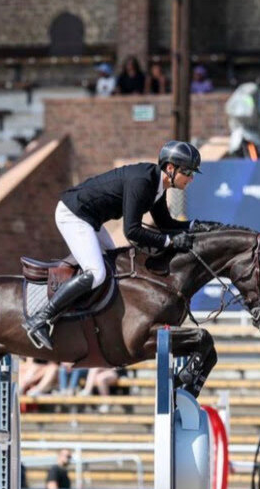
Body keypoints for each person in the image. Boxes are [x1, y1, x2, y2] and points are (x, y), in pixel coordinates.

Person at [22, 141, 202, 350]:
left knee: (115, 263)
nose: (191, 178)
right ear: (170, 168)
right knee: (97, 272)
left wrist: (196, 226)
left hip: (90, 219)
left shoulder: (158, 186)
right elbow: (132, 231)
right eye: (188, 172)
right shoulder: (143, 181)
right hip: (74, 214)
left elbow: (165, 223)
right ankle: (42, 318)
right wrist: (170, 241)